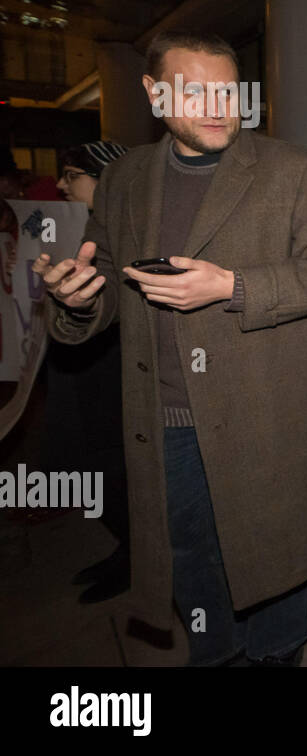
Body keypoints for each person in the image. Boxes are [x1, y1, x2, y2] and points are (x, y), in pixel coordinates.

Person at [35, 30, 307, 666]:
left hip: (267, 422)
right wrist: (77, 300)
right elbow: (115, 283)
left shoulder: (295, 171)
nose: (216, 106)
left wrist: (231, 287)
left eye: (228, 92)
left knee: (275, 568)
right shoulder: (125, 178)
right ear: (154, 95)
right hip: (164, 424)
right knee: (191, 564)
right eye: (194, 91)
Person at [43, 140, 132, 602]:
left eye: (72, 173)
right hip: (79, 364)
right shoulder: (63, 228)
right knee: (86, 461)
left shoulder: (127, 231)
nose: (61, 183)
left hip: (112, 367)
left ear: (106, 178)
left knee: (108, 465)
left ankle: (138, 555)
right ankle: (130, 549)